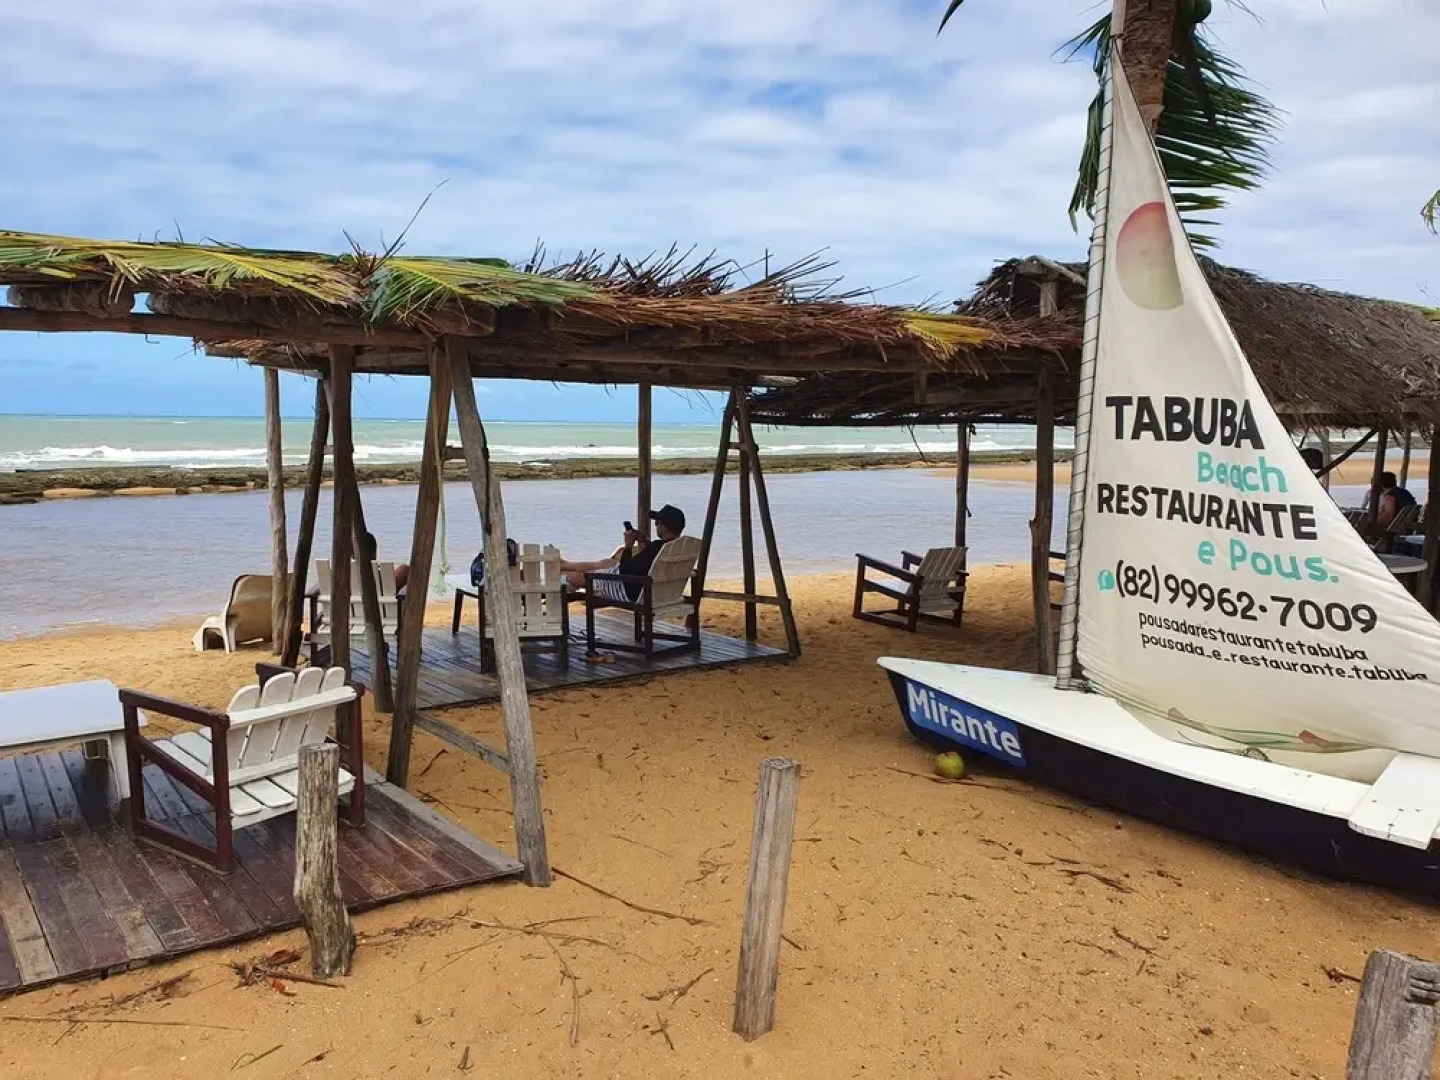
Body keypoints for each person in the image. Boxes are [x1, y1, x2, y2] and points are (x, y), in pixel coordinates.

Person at [561, 504, 686, 601]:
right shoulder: (680, 549)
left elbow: (625, 569)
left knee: (585, 576)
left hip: (630, 591)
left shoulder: (657, 547)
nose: (656, 526)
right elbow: (650, 561)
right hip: (659, 593)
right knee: (605, 564)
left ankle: (559, 575)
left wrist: (628, 545)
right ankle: (562, 568)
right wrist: (645, 542)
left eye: (657, 523)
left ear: (664, 527)